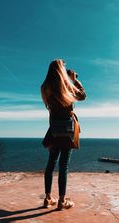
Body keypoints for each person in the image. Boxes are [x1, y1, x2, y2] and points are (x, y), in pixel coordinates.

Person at [41, 59, 86, 210]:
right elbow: (83, 96)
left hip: (54, 129)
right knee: (63, 165)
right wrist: (75, 81)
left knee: (51, 163)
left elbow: (49, 107)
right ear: (61, 69)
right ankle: (61, 200)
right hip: (67, 129)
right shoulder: (67, 86)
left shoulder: (45, 87)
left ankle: (48, 198)